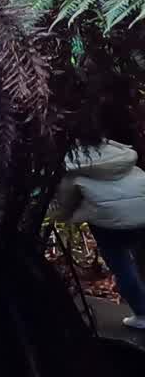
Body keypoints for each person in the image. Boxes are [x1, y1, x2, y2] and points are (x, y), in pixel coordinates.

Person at [53, 139, 145, 329]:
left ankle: (143, 315)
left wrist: (63, 218)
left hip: (108, 222)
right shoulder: (122, 156)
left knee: (122, 267)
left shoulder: (74, 166)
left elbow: (66, 205)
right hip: (142, 214)